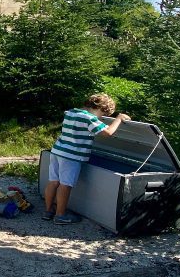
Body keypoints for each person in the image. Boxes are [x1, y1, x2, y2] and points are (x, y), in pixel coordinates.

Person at [43, 93, 131, 224]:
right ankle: (60, 215)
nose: (103, 117)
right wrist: (118, 119)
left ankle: (48, 211)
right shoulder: (89, 118)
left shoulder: (72, 112)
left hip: (57, 151)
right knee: (65, 184)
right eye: (104, 114)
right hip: (71, 155)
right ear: (102, 108)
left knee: (53, 181)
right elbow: (108, 133)